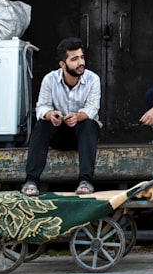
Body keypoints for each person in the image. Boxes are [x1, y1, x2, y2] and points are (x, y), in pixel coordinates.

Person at [22, 37, 102, 195]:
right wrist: (52, 115)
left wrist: (78, 117)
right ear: (62, 64)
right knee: (41, 124)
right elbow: (41, 107)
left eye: (82, 57)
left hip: (82, 137)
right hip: (58, 135)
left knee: (90, 124)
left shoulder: (93, 79)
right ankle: (31, 181)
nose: (81, 63)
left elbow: (92, 108)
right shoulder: (49, 79)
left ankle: (85, 181)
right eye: (74, 59)